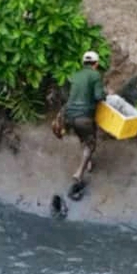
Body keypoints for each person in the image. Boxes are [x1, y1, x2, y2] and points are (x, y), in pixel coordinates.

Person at [56, 50, 106, 183]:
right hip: (83, 116)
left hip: (69, 116)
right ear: (96, 64)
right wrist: (105, 94)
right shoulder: (95, 75)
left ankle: (88, 160)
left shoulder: (75, 75)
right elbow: (98, 96)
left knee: (85, 138)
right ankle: (79, 173)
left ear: (83, 63)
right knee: (90, 144)